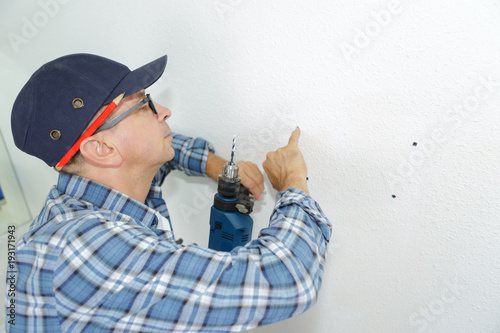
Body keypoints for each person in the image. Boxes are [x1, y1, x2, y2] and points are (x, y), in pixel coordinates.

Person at [6, 53, 332, 332]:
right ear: (102, 148)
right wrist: (293, 183)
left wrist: (216, 166)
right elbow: (288, 278)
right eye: (144, 105)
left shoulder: (89, 192)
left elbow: (155, 157)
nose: (163, 110)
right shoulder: (93, 249)